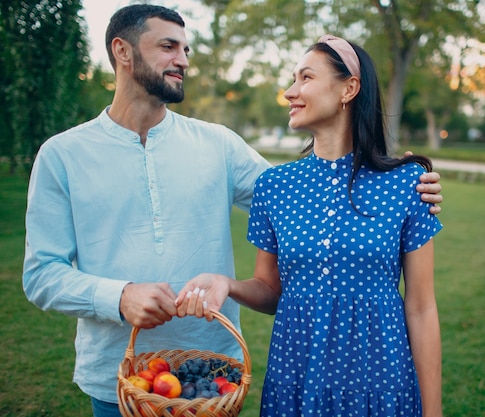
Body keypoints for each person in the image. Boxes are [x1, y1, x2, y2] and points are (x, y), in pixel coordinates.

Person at [22, 5, 443, 417]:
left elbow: (317, 197)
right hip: (122, 378)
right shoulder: (63, 155)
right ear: (122, 51)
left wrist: (400, 180)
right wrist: (119, 296)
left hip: (214, 376)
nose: (182, 60)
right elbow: (41, 274)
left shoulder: (218, 146)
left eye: (186, 49)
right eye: (169, 46)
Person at [176, 34, 443, 416]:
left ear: (348, 88)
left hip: (381, 381)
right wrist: (228, 285)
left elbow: (421, 308)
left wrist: (432, 411)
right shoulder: (274, 186)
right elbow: (270, 290)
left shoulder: (406, 183)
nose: (289, 91)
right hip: (298, 378)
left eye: (305, 78)